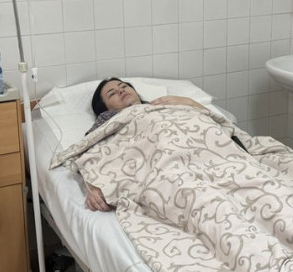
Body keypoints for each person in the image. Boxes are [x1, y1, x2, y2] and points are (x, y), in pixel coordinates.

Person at [84, 77, 206, 212]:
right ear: (105, 108)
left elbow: (206, 120)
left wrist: (189, 102)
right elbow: (89, 150)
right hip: (164, 161)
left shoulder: (161, 104)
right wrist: (93, 187)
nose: (120, 91)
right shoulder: (108, 120)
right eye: (112, 94)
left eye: (123, 86)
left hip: (198, 152)